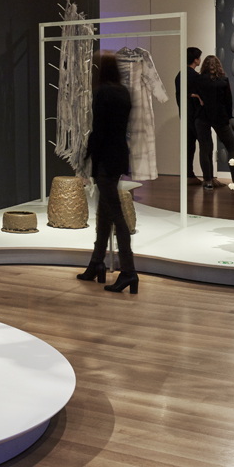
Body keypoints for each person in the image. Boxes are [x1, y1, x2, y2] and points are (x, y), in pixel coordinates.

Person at [79, 52, 139, 293]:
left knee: (115, 215)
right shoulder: (124, 93)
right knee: (105, 212)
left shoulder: (102, 92)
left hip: (105, 158)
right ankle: (97, 263)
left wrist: (87, 154)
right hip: (119, 156)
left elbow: (99, 129)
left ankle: (129, 271)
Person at [197, 54, 234, 189]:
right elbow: (229, 101)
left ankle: (208, 181)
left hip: (202, 116)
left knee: (205, 149)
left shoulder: (198, 80)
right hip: (220, 116)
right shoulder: (223, 80)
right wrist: (228, 117)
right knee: (232, 147)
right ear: (218, 66)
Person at [174, 47, 205, 181]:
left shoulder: (180, 75)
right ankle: (208, 177)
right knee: (205, 146)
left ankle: (189, 174)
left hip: (184, 114)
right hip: (196, 116)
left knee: (189, 146)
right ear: (196, 60)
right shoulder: (195, 77)